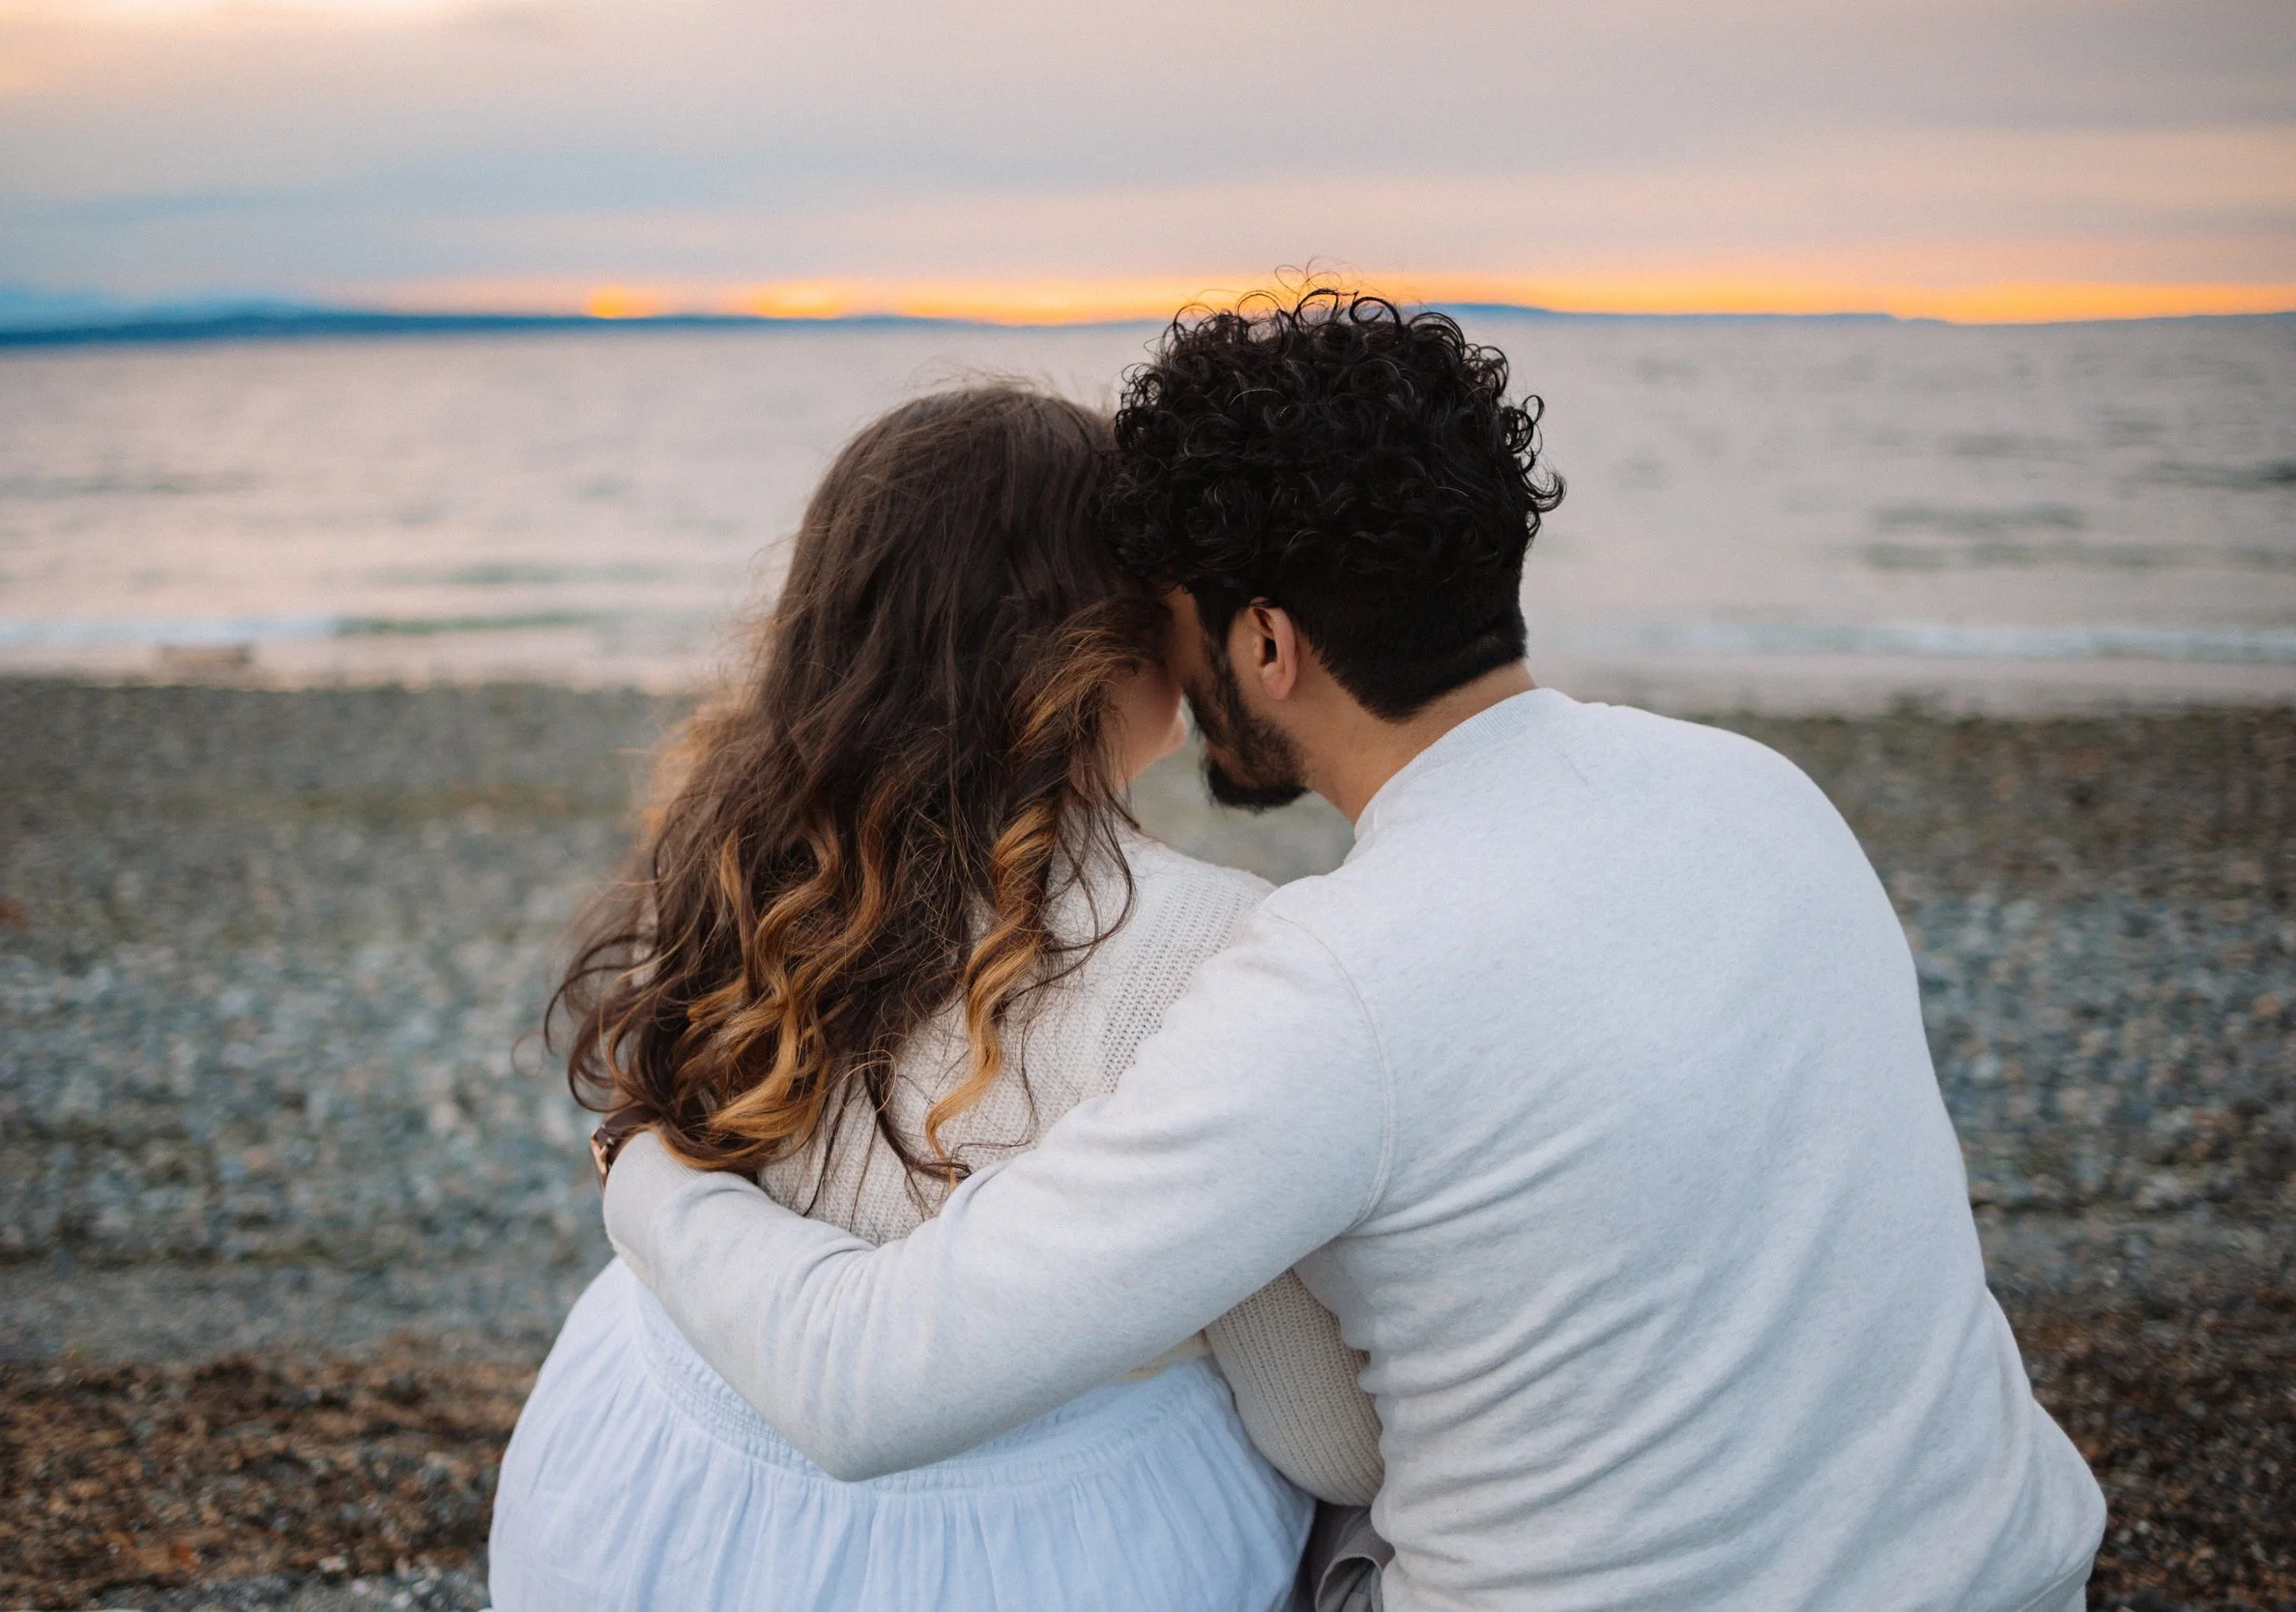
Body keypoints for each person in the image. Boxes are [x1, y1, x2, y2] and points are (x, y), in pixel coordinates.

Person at [600, 291, 2110, 1611]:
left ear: (1266, 644)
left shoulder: (1331, 985)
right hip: (2013, 1564)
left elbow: (868, 1383)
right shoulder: (1760, 789)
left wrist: (643, 1163)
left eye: (1176, 623)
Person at [489, 384, 1383, 1612]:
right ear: (1097, 640)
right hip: (999, 1551)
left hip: (633, 1488)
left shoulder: (736, 847)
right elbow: (1323, 1432)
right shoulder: (1197, 943)